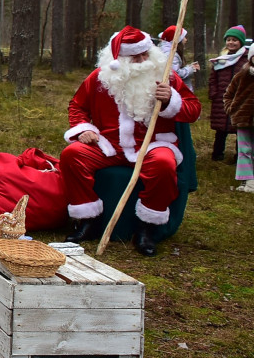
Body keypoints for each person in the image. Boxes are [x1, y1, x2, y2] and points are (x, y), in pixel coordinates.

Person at [61, 26, 202, 256]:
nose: (144, 60)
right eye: (136, 57)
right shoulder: (99, 78)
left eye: (146, 53)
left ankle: (147, 227)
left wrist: (170, 101)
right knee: (72, 155)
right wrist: (83, 130)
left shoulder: (166, 77)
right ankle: (88, 220)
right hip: (109, 145)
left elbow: (194, 110)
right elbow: (77, 106)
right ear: (120, 60)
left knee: (165, 164)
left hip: (152, 145)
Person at [209, 25, 249, 162]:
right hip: (221, 99)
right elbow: (213, 78)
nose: (231, 43)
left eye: (235, 40)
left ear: (241, 42)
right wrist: (214, 93)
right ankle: (217, 154)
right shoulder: (221, 59)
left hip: (240, 100)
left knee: (241, 129)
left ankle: (240, 156)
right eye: (229, 40)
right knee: (221, 129)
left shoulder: (247, 59)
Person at [223, 45, 254, 193]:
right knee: (244, 150)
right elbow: (228, 94)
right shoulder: (242, 75)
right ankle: (247, 181)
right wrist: (231, 109)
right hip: (243, 119)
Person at [158, 25, 198, 90]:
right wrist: (191, 68)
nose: (185, 40)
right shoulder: (170, 55)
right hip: (176, 91)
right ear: (178, 40)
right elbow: (176, 74)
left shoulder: (167, 51)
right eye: (184, 37)